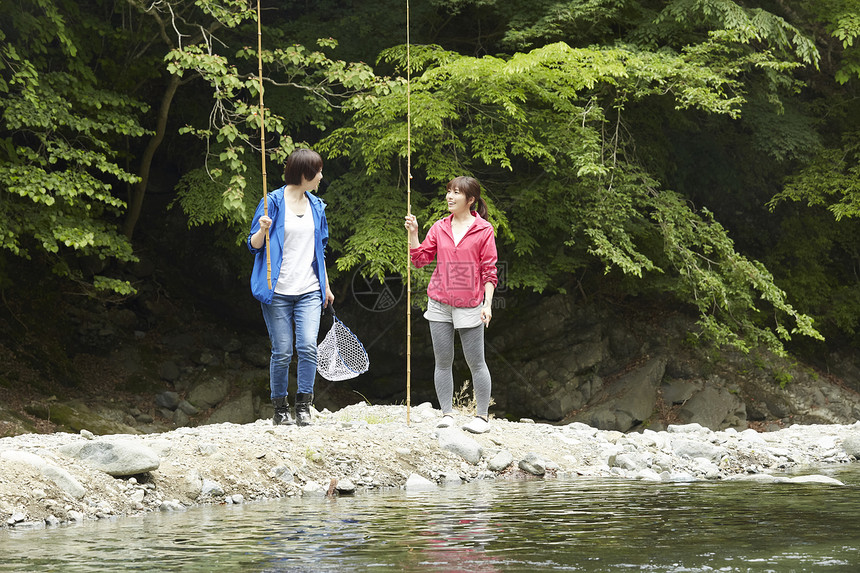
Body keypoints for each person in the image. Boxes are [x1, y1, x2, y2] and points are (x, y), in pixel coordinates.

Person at [404, 176, 498, 434]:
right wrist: (414, 234)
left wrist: (487, 304)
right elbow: (420, 260)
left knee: (476, 362)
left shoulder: (484, 230)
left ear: (470, 200)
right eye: (448, 191)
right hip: (439, 302)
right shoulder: (439, 227)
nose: (449, 197)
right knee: (442, 361)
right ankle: (447, 413)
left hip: (470, 304)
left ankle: (481, 417)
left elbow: (490, 272)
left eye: (456, 193)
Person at [248, 148, 334, 427]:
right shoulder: (271, 202)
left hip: (309, 289)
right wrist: (262, 229)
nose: (321, 176)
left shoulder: (317, 206)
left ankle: (304, 406)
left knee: (308, 346)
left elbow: (319, 249)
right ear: (304, 174)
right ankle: (280, 409)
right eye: (318, 171)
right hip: (278, 290)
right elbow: (253, 245)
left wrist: (326, 286)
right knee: (283, 350)